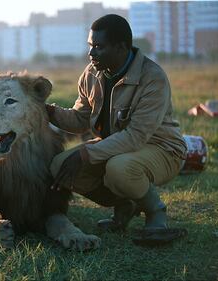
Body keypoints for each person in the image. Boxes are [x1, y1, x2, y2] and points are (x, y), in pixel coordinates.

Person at [46, 15, 187, 239]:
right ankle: (126, 205)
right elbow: (81, 119)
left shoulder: (153, 78)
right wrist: (48, 112)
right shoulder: (91, 73)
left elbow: (136, 137)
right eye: (90, 46)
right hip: (117, 148)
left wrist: (85, 153)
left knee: (118, 169)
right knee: (58, 166)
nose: (91, 54)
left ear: (121, 47)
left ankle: (156, 212)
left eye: (99, 47)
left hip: (163, 149)